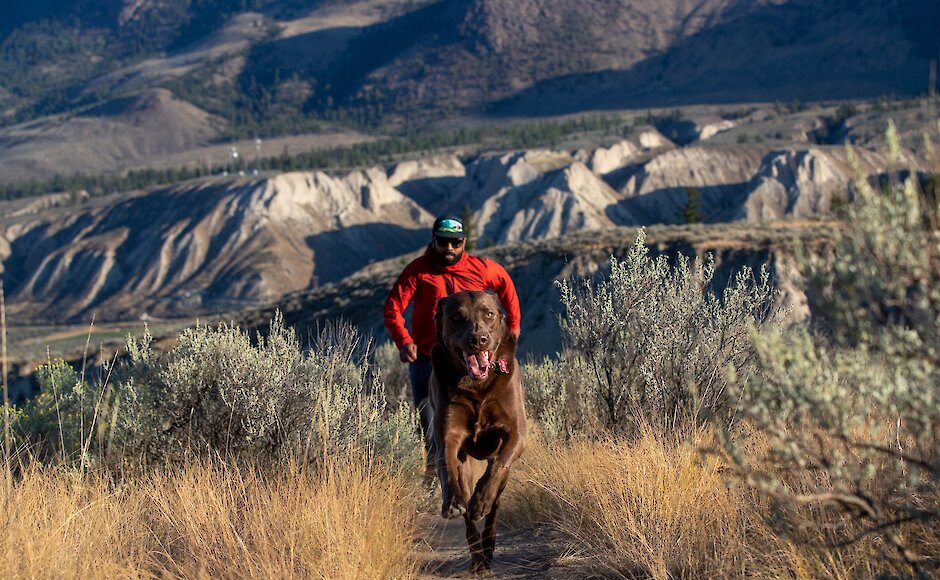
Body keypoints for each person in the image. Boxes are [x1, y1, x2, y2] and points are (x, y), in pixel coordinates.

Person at [383, 215, 521, 457]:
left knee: (491, 414)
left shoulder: (482, 268)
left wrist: (514, 324)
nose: (449, 248)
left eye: (455, 243)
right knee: (429, 422)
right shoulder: (417, 271)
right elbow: (393, 307)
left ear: (464, 242)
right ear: (434, 241)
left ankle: (481, 465)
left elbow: (506, 286)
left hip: (477, 356)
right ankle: (437, 477)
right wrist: (404, 341)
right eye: (443, 242)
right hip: (429, 358)